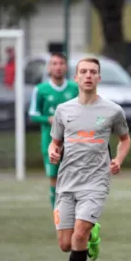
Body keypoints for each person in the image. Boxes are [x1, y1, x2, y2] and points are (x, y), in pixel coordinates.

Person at [48, 57, 131, 261]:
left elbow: (125, 140)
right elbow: (56, 142)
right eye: (83, 71)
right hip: (66, 183)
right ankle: (94, 232)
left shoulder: (113, 111)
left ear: (99, 78)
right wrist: (53, 150)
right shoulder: (63, 110)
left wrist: (117, 159)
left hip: (96, 182)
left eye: (92, 72)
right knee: (65, 244)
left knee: (79, 235)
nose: (87, 75)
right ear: (76, 78)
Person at [29, 53, 79, 210]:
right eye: (54, 63)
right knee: (54, 178)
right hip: (50, 140)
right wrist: (48, 119)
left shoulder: (75, 88)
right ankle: (57, 213)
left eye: (61, 63)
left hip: (74, 141)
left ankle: (76, 213)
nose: (58, 67)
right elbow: (33, 114)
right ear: (49, 68)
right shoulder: (40, 89)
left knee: (75, 179)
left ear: (66, 67)